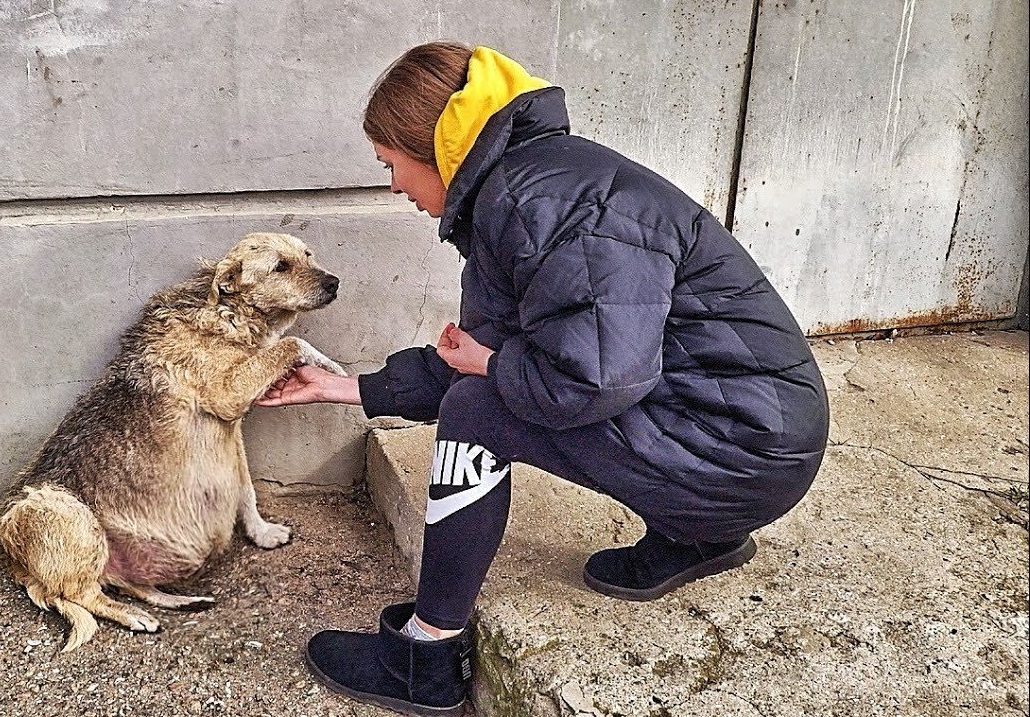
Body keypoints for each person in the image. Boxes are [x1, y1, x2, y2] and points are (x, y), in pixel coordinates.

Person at [256, 42, 829, 715]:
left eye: (392, 164)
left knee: (475, 409)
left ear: (435, 147)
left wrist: (492, 367)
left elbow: (590, 381)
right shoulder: (526, 189)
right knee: (482, 389)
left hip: (746, 453)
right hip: (751, 436)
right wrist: (348, 388)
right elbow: (485, 351)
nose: (394, 186)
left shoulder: (539, 204)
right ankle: (697, 534)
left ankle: (427, 654)